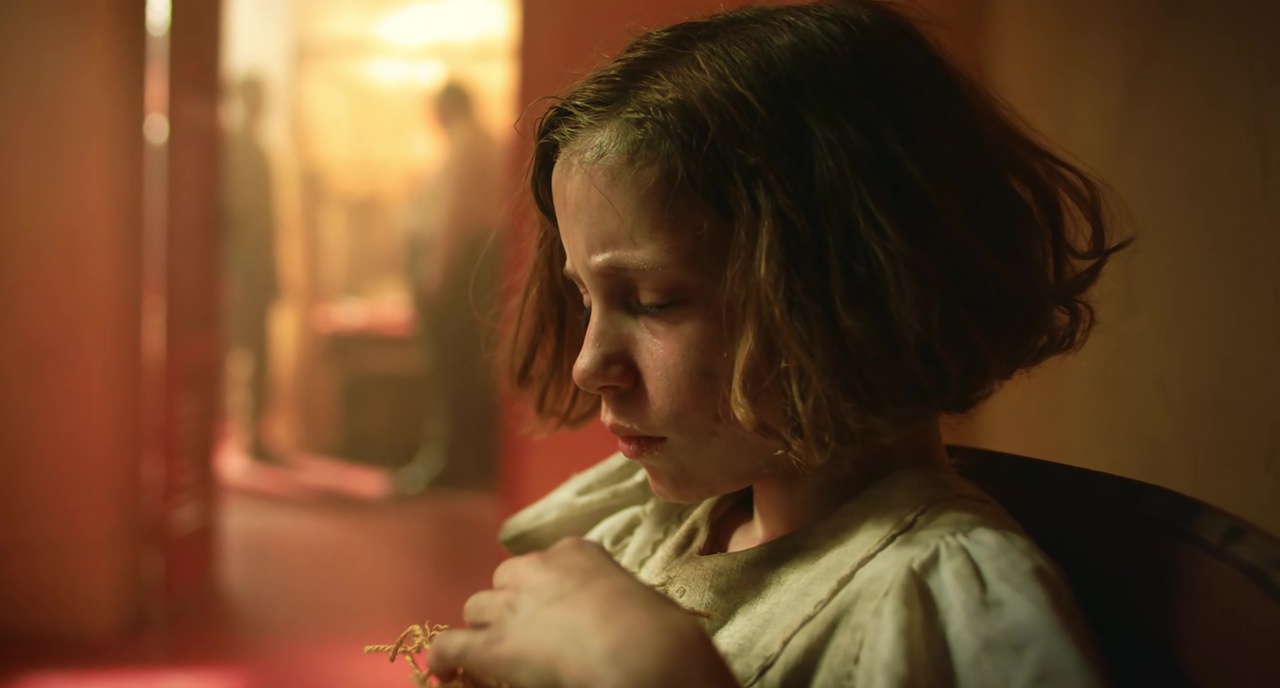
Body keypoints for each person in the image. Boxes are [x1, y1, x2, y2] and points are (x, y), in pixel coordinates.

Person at [427, 2, 1129, 686]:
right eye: (585, 299)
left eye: (654, 301)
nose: (589, 367)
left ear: (854, 289)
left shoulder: (945, 600)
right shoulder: (645, 526)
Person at [404, 81, 503, 490]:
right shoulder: (475, 143)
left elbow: (454, 217)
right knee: (459, 367)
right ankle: (460, 459)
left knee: (452, 368)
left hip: (459, 269)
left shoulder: (469, 145)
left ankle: (453, 461)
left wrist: (436, 273)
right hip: (465, 265)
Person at [221, 75, 280, 461]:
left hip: (256, 273)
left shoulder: (255, 151)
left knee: (258, 358)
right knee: (233, 354)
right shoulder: (235, 151)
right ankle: (230, 434)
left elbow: (266, 224)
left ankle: (253, 435)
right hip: (238, 275)